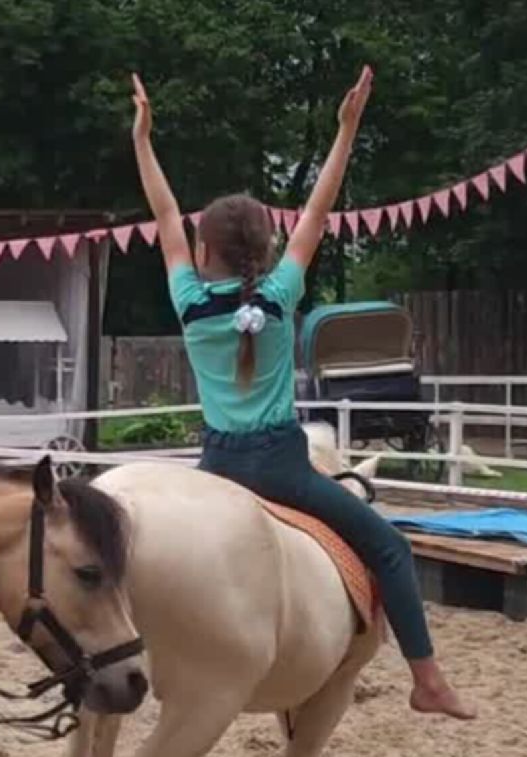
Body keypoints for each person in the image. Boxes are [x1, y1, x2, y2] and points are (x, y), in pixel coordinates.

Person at [131, 67, 475, 719]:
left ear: (202, 249)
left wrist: (142, 138)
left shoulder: (186, 302)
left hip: (218, 469)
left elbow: (163, 212)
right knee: (389, 548)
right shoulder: (281, 294)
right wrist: (346, 128)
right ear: (264, 248)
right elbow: (318, 210)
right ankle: (427, 681)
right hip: (282, 469)